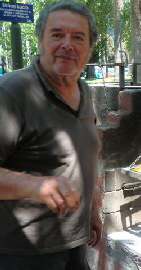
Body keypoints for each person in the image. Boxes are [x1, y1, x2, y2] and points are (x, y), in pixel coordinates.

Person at [0, 1, 102, 269]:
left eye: (78, 37)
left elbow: (87, 156)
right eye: (57, 35)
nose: (67, 45)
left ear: (90, 48)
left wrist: (93, 210)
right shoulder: (11, 92)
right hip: (23, 252)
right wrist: (34, 185)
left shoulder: (85, 91)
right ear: (41, 42)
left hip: (75, 245)